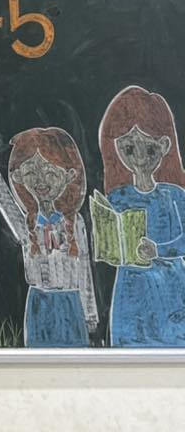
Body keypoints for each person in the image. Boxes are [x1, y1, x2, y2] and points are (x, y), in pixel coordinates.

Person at [0, 127, 97, 346]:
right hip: (39, 302)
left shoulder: (75, 222)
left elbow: (84, 267)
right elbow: (7, 204)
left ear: (69, 175)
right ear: (19, 177)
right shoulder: (27, 225)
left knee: (74, 358)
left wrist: (90, 313)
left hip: (71, 302)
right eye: (31, 173)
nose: (41, 181)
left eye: (50, 173)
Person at [99, 85, 185, 346]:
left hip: (170, 289)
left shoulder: (174, 195)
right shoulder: (117, 198)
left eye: (148, 149)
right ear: (116, 147)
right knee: (129, 349)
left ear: (164, 145)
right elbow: (110, 241)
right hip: (130, 289)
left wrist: (158, 250)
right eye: (128, 149)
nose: (138, 158)